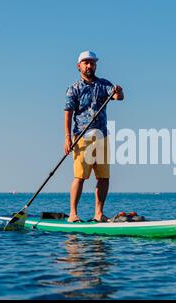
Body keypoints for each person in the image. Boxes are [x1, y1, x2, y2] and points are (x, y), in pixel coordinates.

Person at [64, 51, 124, 223]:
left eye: (92, 63)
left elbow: (118, 97)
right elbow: (68, 114)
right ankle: (73, 214)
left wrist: (118, 92)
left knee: (104, 177)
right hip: (81, 137)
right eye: (86, 63)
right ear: (79, 66)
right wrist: (68, 138)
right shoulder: (74, 88)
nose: (90, 66)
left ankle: (99, 213)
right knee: (80, 176)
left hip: (102, 136)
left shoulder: (104, 84)